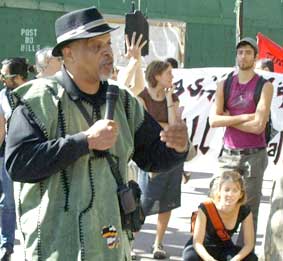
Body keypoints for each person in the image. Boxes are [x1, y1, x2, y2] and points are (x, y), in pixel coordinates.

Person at [4, 6, 189, 261]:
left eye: (108, 43)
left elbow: (152, 158)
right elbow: (19, 163)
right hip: (56, 247)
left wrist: (177, 147)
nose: (107, 51)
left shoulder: (125, 101)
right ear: (67, 54)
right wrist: (85, 141)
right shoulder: (37, 100)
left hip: (110, 245)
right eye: (95, 45)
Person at [209, 37, 273, 243]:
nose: (243, 56)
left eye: (248, 52)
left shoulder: (264, 86)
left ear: (255, 57)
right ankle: (218, 248)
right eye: (240, 52)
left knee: (248, 210)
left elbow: (258, 126)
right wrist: (245, 116)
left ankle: (243, 254)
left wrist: (228, 120)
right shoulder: (224, 84)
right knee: (218, 203)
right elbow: (213, 120)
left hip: (254, 156)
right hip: (228, 153)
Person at [137, 60, 184, 259]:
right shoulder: (142, 97)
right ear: (157, 75)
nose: (172, 78)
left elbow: (174, 125)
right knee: (143, 203)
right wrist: (164, 126)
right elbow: (148, 127)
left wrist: (168, 100)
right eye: (168, 74)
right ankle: (129, 244)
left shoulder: (172, 97)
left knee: (167, 201)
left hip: (171, 156)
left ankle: (158, 243)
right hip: (150, 157)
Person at [0, 57, 34, 261]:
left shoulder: (37, 93)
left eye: (6, 76)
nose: (3, 80)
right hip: (9, 156)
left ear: (20, 77)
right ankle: (7, 245)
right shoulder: (3, 96)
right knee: (8, 202)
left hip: (35, 154)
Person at [183, 171, 258, 261]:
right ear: (219, 192)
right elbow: (197, 242)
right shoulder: (206, 207)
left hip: (225, 248)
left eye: (235, 190)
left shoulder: (244, 211)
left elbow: (249, 244)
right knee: (190, 257)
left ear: (240, 194)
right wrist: (209, 259)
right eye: (226, 190)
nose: (230, 194)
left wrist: (236, 259)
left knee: (251, 258)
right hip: (202, 247)